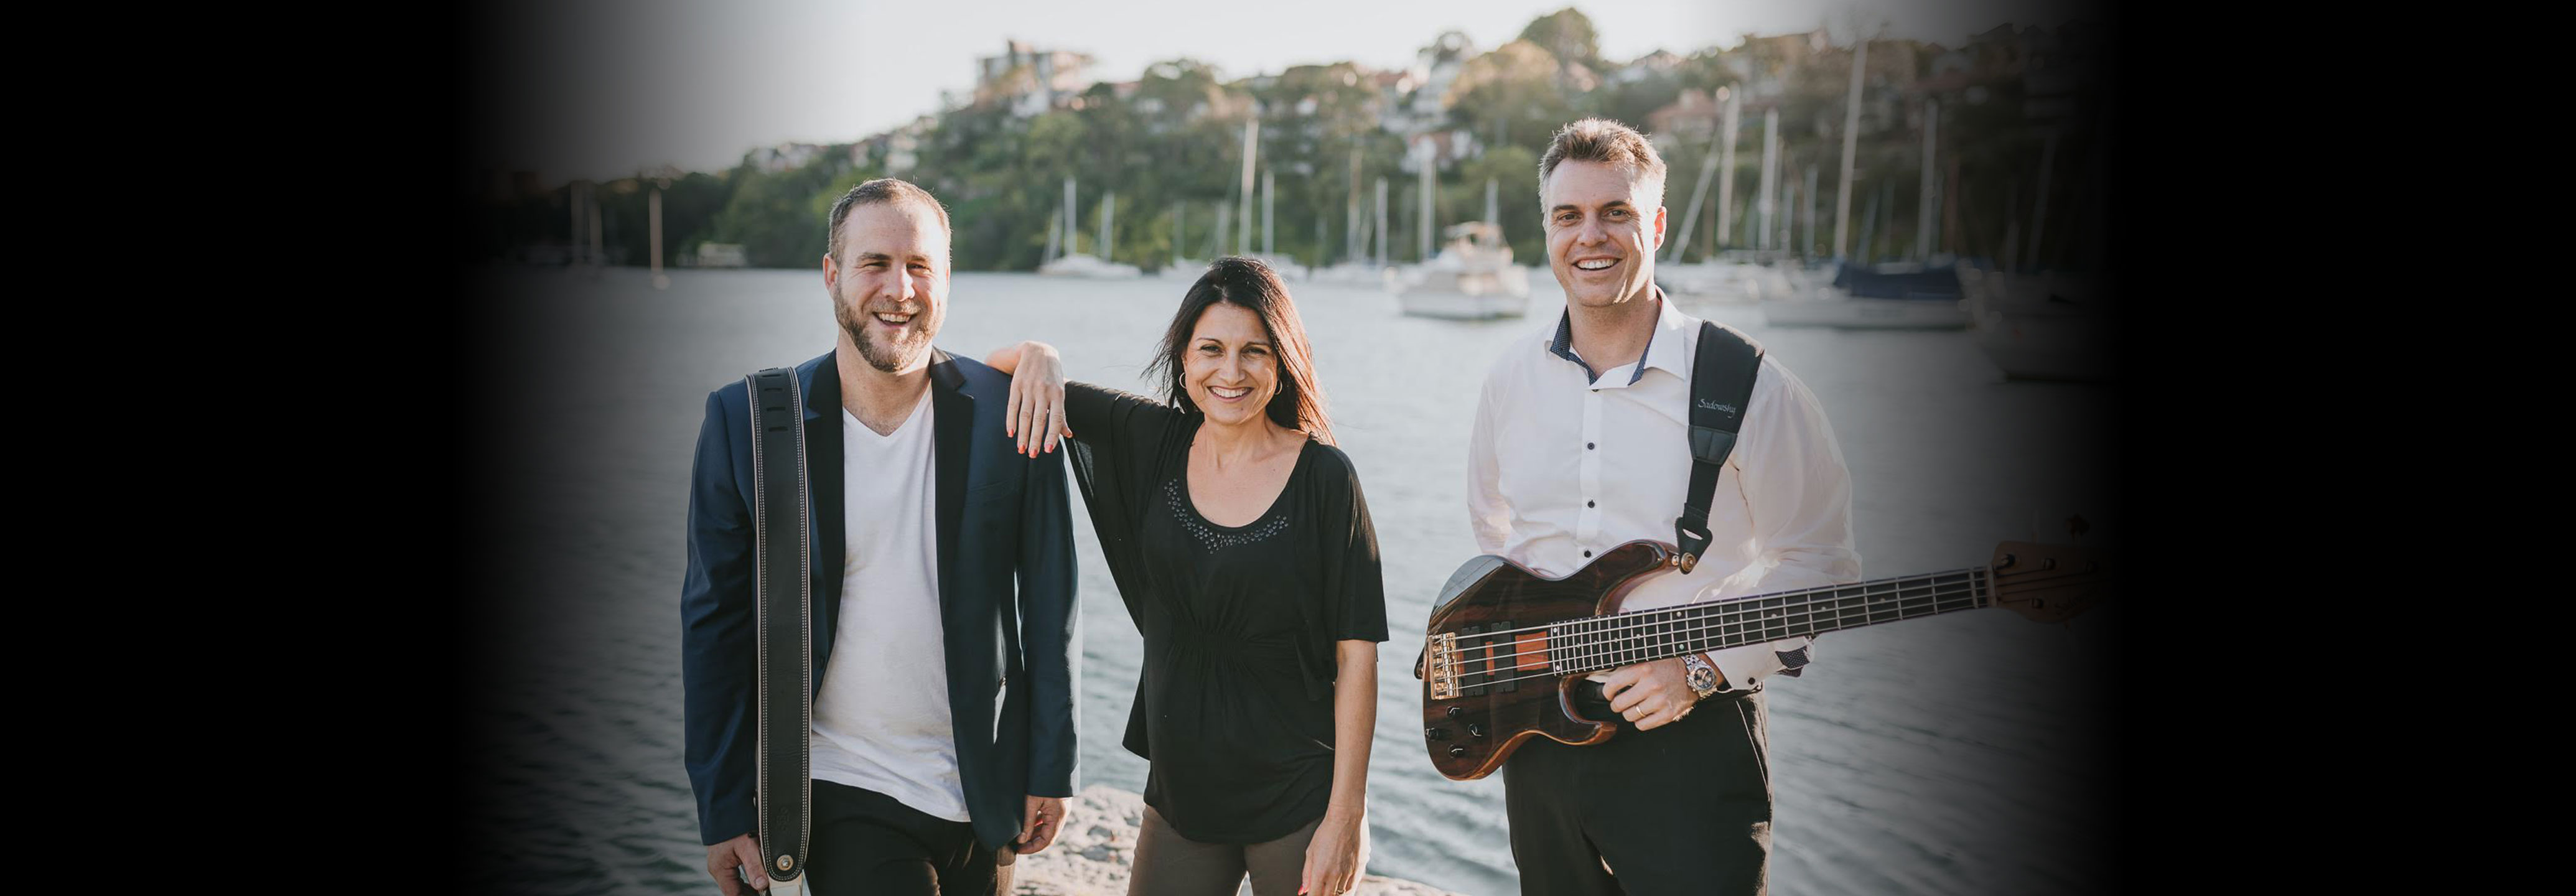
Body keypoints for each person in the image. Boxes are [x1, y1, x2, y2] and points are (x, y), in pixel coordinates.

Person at [1465, 118, 1862, 895]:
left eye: (1616, 212)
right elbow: (1495, 538)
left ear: (1657, 223)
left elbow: (1825, 566)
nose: (1592, 237)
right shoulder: (1508, 379)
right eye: (1568, 216)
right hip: (1543, 738)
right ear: (1545, 228)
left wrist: (1701, 668)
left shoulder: (1752, 385)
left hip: (1693, 743)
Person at [680, 178, 1078, 896]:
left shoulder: (1010, 413)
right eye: (875, 264)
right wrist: (722, 806)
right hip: (841, 785)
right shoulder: (747, 422)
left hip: (982, 788)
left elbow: (1051, 609)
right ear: (832, 275)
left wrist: (1050, 766)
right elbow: (714, 624)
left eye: (920, 266)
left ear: (946, 279)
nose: (900, 289)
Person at [987, 257, 1384, 896]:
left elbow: (1357, 657)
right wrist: (1041, 352)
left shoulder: (1326, 479)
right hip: (1180, 795)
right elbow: (992, 374)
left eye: (1255, 351)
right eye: (1212, 349)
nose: (1231, 372)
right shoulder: (1150, 441)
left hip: (1297, 798)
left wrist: (1347, 816)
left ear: (1282, 361)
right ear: (1183, 358)